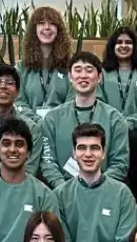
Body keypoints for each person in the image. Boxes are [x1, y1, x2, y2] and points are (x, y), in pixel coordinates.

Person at [53, 122, 137, 242]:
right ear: (74, 153)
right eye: (82, 148)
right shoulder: (60, 195)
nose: (88, 154)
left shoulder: (122, 194)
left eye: (95, 148)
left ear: (103, 153)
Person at [39, 51, 130, 188]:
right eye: (77, 70)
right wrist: (65, 188)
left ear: (99, 77)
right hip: (61, 190)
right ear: (70, 76)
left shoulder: (115, 119)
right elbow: (47, 162)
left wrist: (96, 185)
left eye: (89, 70)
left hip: (103, 189)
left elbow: (120, 163)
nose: (83, 75)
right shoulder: (52, 118)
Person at [99, 26, 137, 196]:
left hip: (135, 131)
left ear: (135, 46)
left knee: (134, 139)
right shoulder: (102, 73)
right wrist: (115, 124)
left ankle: (135, 194)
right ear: (112, 46)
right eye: (119, 42)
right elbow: (98, 103)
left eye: (128, 42)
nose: (123, 46)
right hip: (107, 128)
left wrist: (127, 124)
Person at [17, 6, 72, 112]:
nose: (47, 27)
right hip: (29, 122)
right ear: (34, 29)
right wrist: (35, 120)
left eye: (52, 23)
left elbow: (72, 101)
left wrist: (53, 120)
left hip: (60, 121)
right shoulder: (21, 68)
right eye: (41, 23)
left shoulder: (70, 66)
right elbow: (19, 102)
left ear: (58, 29)